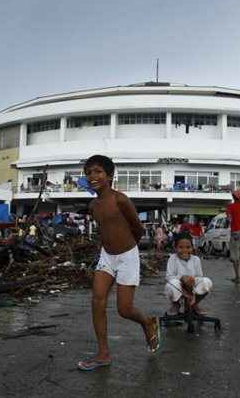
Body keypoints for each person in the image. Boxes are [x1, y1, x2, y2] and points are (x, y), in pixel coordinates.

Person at [77, 155, 160, 372]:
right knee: (97, 300)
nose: (92, 176)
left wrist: (126, 247)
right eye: (88, 173)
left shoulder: (120, 199)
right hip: (107, 256)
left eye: (97, 171)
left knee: (124, 309)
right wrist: (107, 248)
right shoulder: (93, 205)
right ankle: (103, 354)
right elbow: (104, 229)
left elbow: (137, 228)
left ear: (109, 176)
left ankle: (147, 322)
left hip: (127, 255)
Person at [165, 232, 213, 315]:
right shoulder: (172, 258)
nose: (184, 250)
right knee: (172, 283)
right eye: (180, 247)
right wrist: (182, 278)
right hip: (179, 287)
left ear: (192, 247)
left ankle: (194, 304)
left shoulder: (196, 259)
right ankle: (176, 304)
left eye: (188, 247)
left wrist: (192, 280)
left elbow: (199, 276)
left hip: (192, 287)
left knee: (206, 282)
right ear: (175, 248)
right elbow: (169, 277)